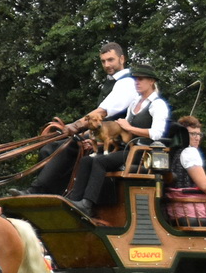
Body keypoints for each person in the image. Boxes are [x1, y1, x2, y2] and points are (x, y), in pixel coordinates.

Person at [31, 41, 136, 195]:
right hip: (101, 132)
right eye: (103, 61)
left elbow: (102, 112)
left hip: (117, 138)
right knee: (49, 148)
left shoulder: (127, 82)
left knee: (68, 145)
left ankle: (38, 190)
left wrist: (75, 126)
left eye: (110, 60)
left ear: (122, 59)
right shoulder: (111, 82)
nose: (107, 65)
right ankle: (52, 193)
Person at [68, 66, 168, 217]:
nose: (136, 82)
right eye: (135, 79)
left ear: (151, 81)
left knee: (100, 161)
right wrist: (98, 141)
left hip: (142, 153)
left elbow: (157, 134)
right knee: (87, 160)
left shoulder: (157, 104)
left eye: (140, 79)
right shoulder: (135, 102)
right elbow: (121, 129)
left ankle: (87, 205)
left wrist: (130, 127)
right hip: (124, 148)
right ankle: (75, 201)